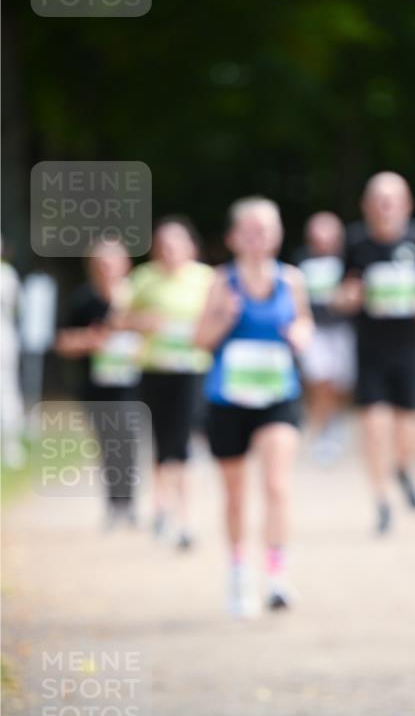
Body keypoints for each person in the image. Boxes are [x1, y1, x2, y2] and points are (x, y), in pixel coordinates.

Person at [195, 196, 312, 616]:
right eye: (250, 229)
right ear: (233, 237)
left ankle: (278, 577)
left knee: (278, 485)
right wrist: (225, 318)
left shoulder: (292, 280)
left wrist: (301, 334)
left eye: (267, 228)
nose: (259, 236)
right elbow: (200, 340)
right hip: (228, 399)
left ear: (278, 235)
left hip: (278, 395)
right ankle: (239, 573)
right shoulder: (220, 282)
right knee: (235, 494)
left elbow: (304, 322)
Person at [340, 171, 415, 534]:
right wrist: (349, 297)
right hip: (370, 348)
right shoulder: (355, 242)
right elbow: (343, 289)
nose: (386, 208)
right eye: (379, 201)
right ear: (367, 206)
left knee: (408, 427)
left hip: (410, 347)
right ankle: (381, 500)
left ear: (407, 205)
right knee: (373, 427)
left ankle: (403, 468)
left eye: (393, 200)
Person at [125, 217, 214, 549]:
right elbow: (118, 319)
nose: (169, 249)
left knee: (183, 441)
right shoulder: (143, 279)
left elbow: (221, 317)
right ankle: (162, 505)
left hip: (192, 369)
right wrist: (143, 321)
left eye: (176, 243)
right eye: (163, 243)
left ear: (191, 246)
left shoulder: (207, 279)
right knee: (163, 442)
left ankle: (184, 517)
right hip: (154, 369)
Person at [56, 237, 140, 527]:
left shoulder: (137, 297)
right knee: (108, 443)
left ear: (126, 264)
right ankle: (114, 505)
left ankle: (129, 503)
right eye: (101, 263)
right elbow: (63, 342)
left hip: (134, 384)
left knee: (127, 438)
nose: (107, 268)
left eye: (113, 261)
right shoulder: (83, 300)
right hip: (95, 386)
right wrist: (92, 341)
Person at [293, 211, 355, 463]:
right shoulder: (302, 260)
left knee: (340, 383)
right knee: (319, 380)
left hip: (342, 330)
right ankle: (322, 431)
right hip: (315, 330)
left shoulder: (348, 259)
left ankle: (335, 421)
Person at [0, 243, 25, 470]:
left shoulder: (7, 275)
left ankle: (11, 446)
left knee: (7, 392)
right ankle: (11, 447)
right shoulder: (8, 275)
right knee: (8, 391)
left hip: (5, 338)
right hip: (6, 337)